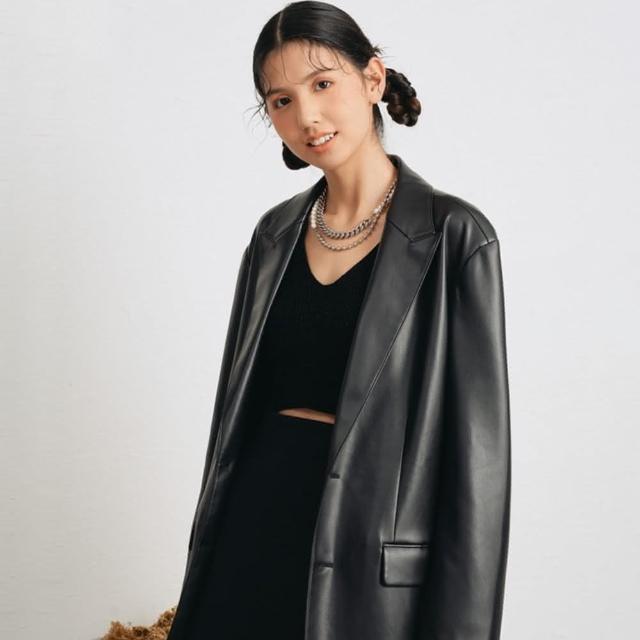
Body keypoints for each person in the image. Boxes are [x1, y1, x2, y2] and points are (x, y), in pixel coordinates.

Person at [167, 2, 511, 639]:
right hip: (249, 532)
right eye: (281, 101)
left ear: (373, 79)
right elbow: (231, 425)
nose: (307, 116)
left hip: (366, 558)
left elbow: (478, 471)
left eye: (323, 83)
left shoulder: (453, 236)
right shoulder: (273, 236)